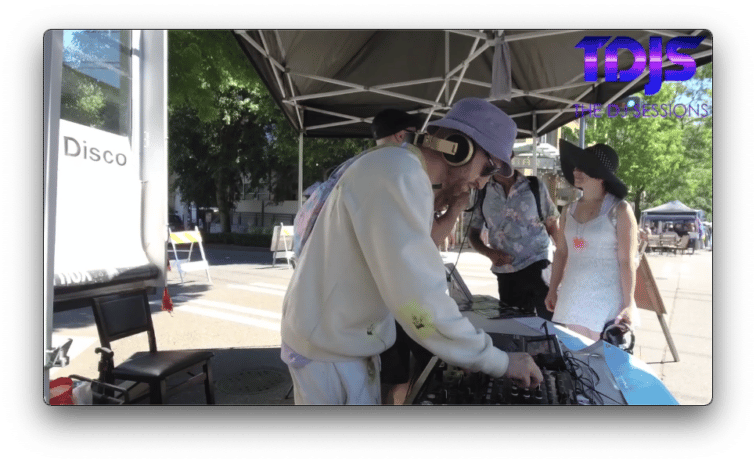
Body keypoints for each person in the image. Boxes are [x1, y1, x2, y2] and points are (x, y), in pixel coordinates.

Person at [281, 98, 544, 405]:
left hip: (334, 341)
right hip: (329, 351)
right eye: (489, 167)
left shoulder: (399, 167)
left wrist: (457, 345)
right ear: (461, 148)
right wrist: (498, 361)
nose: (483, 182)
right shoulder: (399, 174)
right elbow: (417, 302)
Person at [545, 140, 639, 341]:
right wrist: (552, 289)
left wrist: (629, 303)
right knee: (574, 361)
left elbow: (627, 260)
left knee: (606, 364)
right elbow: (564, 251)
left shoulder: (620, 210)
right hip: (572, 298)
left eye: (585, 167)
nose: (577, 171)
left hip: (606, 303)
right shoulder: (568, 210)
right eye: (576, 165)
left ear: (601, 174)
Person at [468, 151, 560, 320]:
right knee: (516, 328)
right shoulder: (482, 191)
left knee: (552, 326)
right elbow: (473, 234)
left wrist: (567, 259)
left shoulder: (534, 186)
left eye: (506, 154)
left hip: (539, 265)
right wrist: (489, 253)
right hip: (507, 272)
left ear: (512, 155)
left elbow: (553, 227)